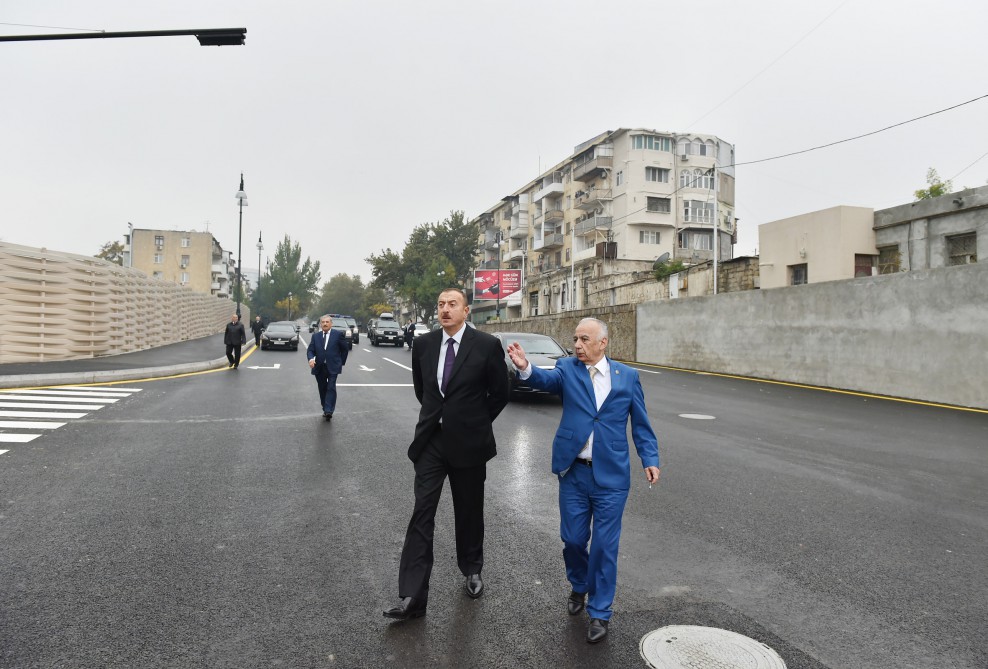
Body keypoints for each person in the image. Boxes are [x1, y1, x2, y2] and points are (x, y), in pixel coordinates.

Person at [506, 317, 660, 644]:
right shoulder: (568, 369)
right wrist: (525, 368)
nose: (577, 345)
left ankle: (600, 612)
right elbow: (544, 382)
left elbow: (641, 425)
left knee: (605, 547)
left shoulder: (628, 378)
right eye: (575, 338)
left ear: (603, 343)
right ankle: (579, 585)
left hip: (612, 476)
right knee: (574, 540)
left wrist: (650, 459)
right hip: (574, 471)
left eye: (584, 339)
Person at [384, 288, 510, 621]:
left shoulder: (485, 345)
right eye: (440, 304)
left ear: (466, 310)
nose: (445, 309)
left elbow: (499, 392)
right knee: (421, 512)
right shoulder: (424, 345)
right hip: (432, 442)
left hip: (469, 443)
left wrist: (475, 421)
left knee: (469, 510)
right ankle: (413, 596)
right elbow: (422, 390)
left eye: (452, 304)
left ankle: (471, 568)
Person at [306, 315, 350, 420]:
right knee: (322, 388)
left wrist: (341, 362)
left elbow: (345, 349)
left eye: (327, 322)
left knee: (330, 387)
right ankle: (325, 406)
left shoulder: (338, 334)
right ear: (320, 324)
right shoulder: (316, 336)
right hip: (319, 366)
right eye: (323, 322)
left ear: (331, 323)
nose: (325, 324)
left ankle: (328, 410)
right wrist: (311, 359)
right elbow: (310, 350)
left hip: (333, 366)